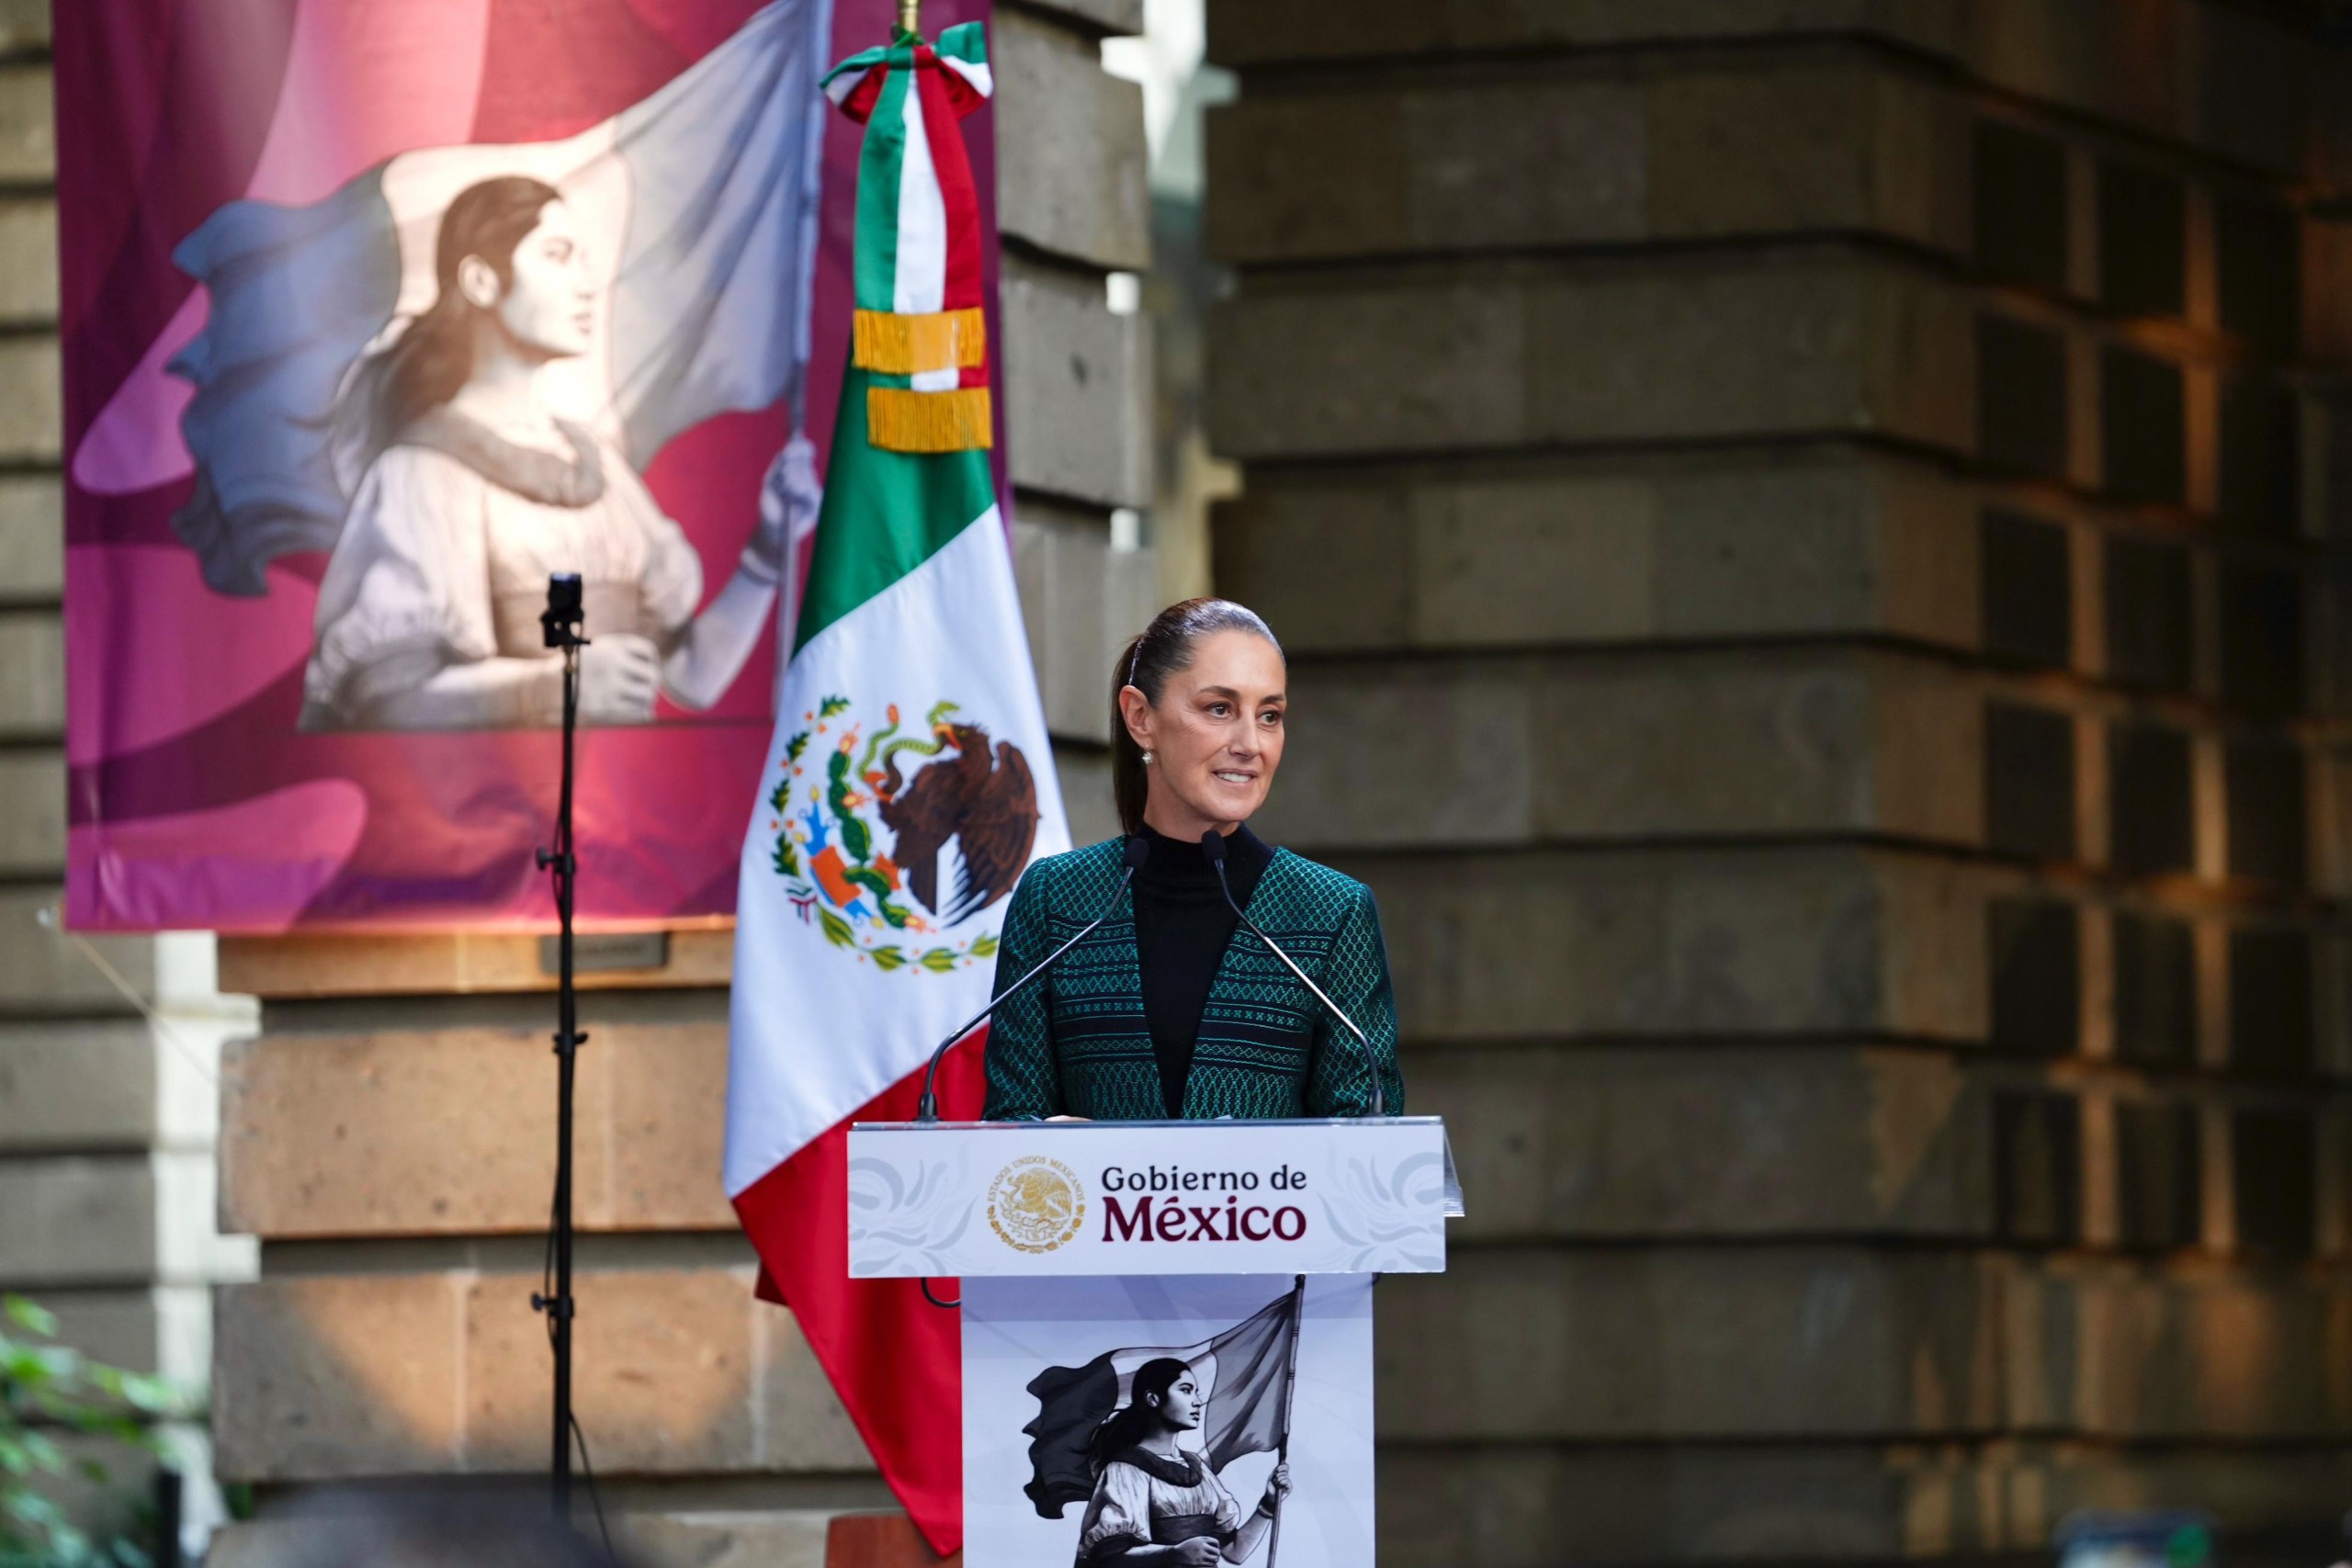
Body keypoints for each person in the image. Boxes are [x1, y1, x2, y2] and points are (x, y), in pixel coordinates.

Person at [300, 175, 799, 730]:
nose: (586, 285)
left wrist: (768, 548)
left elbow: (692, 676)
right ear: (481, 281)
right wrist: (553, 685)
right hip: (498, 787)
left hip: (618, 785)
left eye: (584, 259)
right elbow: (389, 704)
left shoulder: (598, 466)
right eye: (557, 256)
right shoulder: (423, 472)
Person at [982, 597, 1406, 1121]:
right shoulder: (1054, 897)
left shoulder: (1332, 909)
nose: (1250, 744)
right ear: (1141, 717)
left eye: (1269, 716)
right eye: (1219, 709)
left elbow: (1369, 1126)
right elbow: (1011, 1119)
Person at [1073, 1359, 1290, 1566]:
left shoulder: (1197, 1467)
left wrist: (1268, 1505)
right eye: (1186, 1390)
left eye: (1196, 1392)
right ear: (1153, 1399)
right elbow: (1110, 1559)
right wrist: (1172, 1554)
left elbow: (1234, 1552)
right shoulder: (1126, 1469)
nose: (1197, 1401)